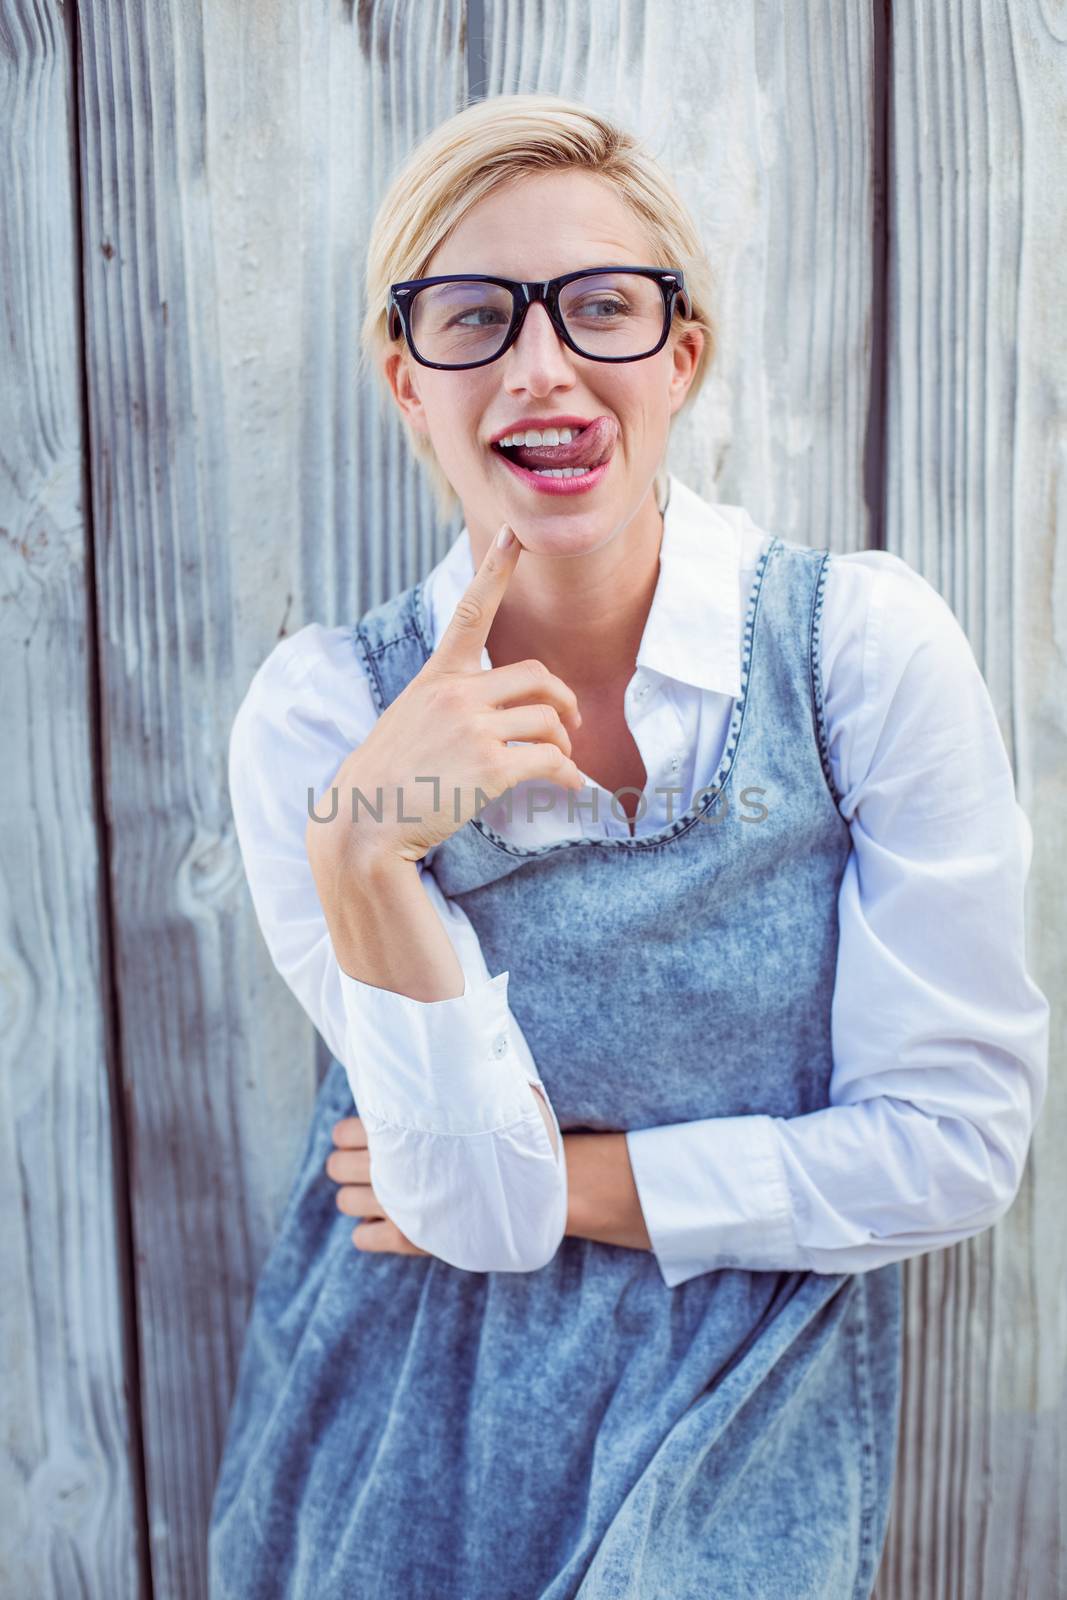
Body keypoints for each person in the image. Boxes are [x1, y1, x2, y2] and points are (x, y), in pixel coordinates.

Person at [208, 94, 1049, 1598]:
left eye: (602, 306)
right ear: (406, 378)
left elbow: (955, 1148)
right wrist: (361, 858)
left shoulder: (857, 651)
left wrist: (582, 1184)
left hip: (740, 1379)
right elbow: (463, 1210)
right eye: (474, 317)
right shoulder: (318, 722)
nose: (544, 367)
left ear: (683, 354)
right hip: (401, 1395)